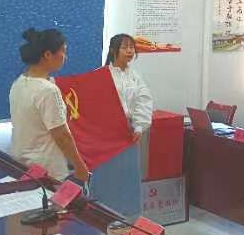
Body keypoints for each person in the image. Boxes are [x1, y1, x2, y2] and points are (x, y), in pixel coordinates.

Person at [10, 29, 89, 183]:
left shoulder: (18, 83)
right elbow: (62, 136)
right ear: (47, 54)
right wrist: (80, 166)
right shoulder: (48, 91)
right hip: (47, 171)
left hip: (22, 166)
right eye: (63, 51)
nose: (65, 57)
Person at [90, 33, 153, 218]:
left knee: (127, 176)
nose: (130, 51)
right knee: (106, 176)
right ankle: (101, 213)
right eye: (125, 47)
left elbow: (144, 100)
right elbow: (92, 104)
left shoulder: (135, 76)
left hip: (128, 133)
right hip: (105, 135)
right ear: (113, 50)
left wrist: (139, 126)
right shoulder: (100, 74)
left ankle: (128, 216)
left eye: (132, 47)